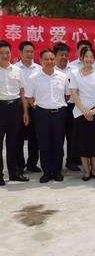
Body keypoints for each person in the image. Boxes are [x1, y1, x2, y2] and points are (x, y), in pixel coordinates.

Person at [25, 49, 69, 183]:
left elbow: (67, 95)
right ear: (40, 60)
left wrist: (58, 105)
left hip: (59, 114)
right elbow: (29, 97)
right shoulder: (33, 78)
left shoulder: (62, 76)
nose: (49, 62)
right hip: (41, 114)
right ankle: (47, 172)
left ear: (55, 60)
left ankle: (56, 171)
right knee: (44, 144)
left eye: (51, 59)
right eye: (46, 59)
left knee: (58, 143)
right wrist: (39, 107)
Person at [69, 47, 95, 180]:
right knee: (82, 143)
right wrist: (84, 110)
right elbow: (73, 92)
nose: (88, 59)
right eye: (86, 56)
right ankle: (86, 171)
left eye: (91, 56)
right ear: (81, 58)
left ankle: (94, 170)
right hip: (80, 113)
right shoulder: (74, 73)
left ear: (94, 59)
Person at [0, 40, 29, 186]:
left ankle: (14, 173)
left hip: (15, 108)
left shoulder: (17, 71)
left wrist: (25, 112)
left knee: (14, 143)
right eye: (2, 53)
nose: (5, 55)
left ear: (11, 53)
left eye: (7, 52)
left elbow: (22, 93)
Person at [53, 42, 80, 171]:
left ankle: (72, 161)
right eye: (61, 55)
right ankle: (56, 162)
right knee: (57, 136)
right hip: (56, 107)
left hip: (71, 107)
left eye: (66, 55)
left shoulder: (73, 71)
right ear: (55, 55)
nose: (64, 57)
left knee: (72, 135)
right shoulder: (50, 70)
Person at [16, 41, 41, 173]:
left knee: (34, 137)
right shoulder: (15, 68)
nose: (30, 54)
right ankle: (19, 166)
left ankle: (32, 164)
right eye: (27, 51)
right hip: (18, 106)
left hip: (34, 106)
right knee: (18, 137)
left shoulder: (38, 68)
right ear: (20, 53)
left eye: (31, 51)